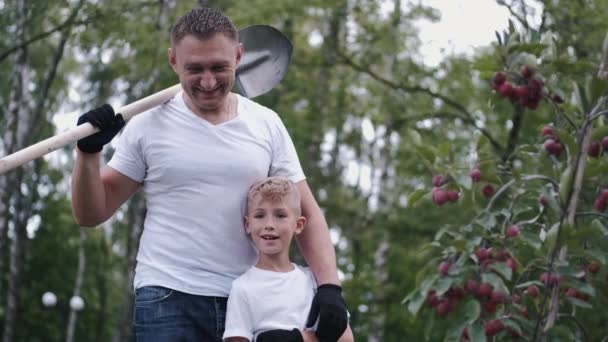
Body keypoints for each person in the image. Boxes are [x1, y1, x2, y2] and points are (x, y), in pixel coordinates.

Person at [71, 6, 348, 342]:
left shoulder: (266, 124)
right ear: (173, 60)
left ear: (240, 55)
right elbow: (90, 213)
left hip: (252, 298)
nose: (207, 81)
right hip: (168, 296)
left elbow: (308, 213)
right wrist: (88, 155)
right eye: (194, 69)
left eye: (219, 67)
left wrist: (330, 286)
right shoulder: (146, 124)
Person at [223, 177, 354, 342]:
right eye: (260, 215)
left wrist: (296, 339)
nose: (269, 224)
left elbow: (346, 338)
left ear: (299, 225)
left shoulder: (314, 281)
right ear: (247, 224)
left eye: (280, 215)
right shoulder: (242, 288)